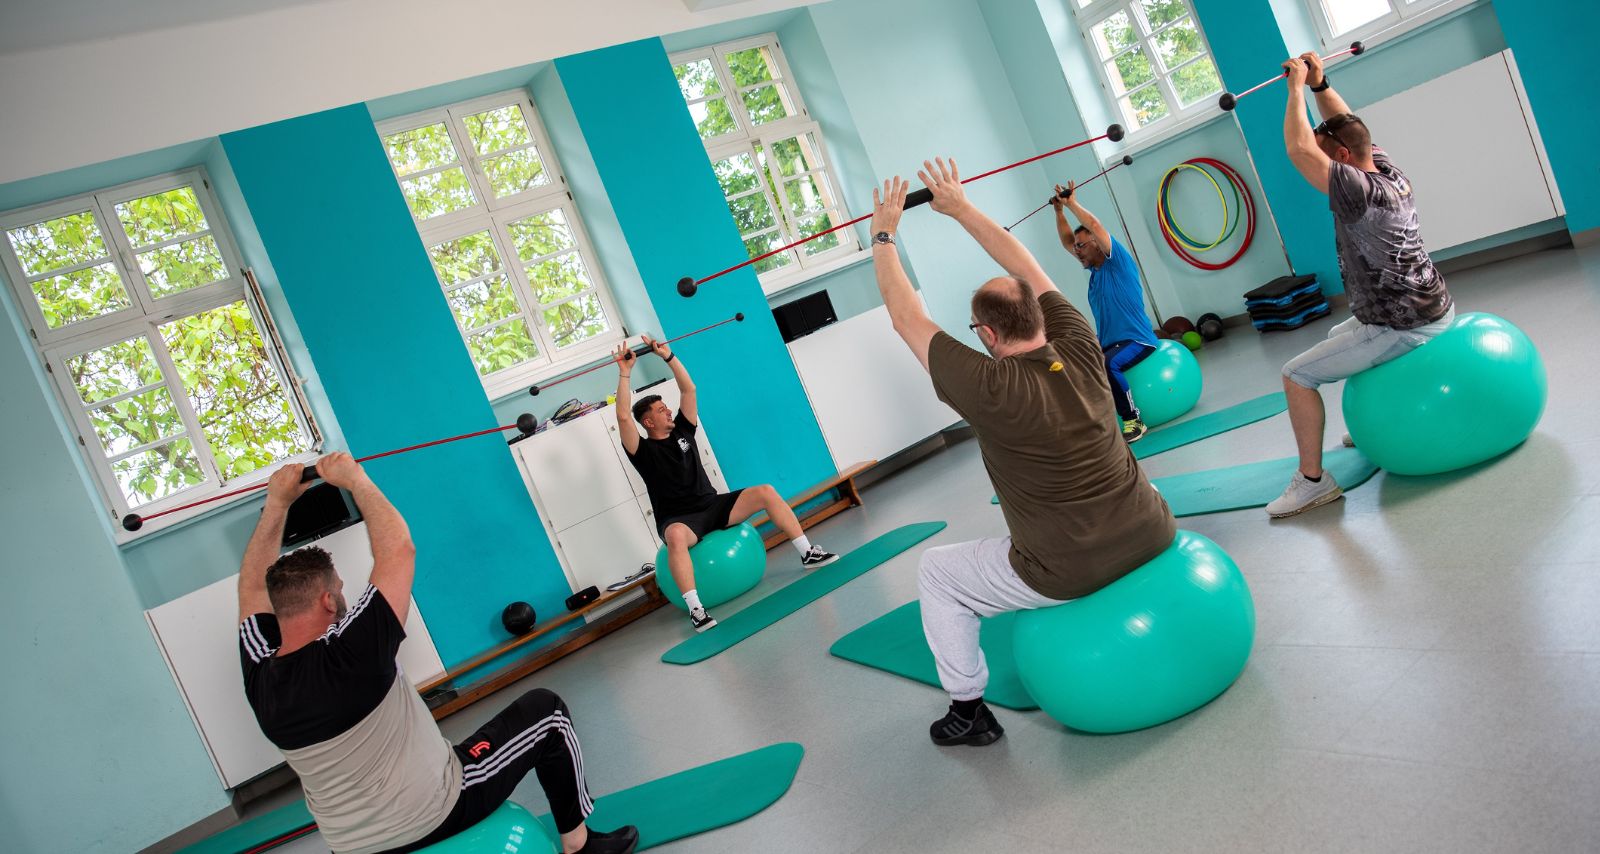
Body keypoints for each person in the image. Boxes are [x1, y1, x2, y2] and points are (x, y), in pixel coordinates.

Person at [869, 159, 1176, 747]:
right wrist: (958, 206)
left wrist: (884, 235)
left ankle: (968, 709)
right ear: (1040, 313)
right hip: (1152, 529)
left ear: (985, 335)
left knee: (937, 573)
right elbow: (1024, 264)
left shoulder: (989, 388)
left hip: (1067, 569)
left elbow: (906, 315)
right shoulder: (1081, 342)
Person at [237, 453, 638, 854]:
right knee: (547, 712)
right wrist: (355, 480)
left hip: (353, 848)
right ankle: (580, 846)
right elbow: (398, 550)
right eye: (339, 590)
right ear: (328, 600)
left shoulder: (260, 675)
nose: (343, 596)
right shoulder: (354, 650)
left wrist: (277, 503)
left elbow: (252, 589)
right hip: (437, 813)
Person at [1268, 51, 1455, 518]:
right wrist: (1318, 83)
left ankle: (1313, 482)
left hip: (1402, 324)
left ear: (1344, 159)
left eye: (1327, 153)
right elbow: (1347, 125)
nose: (1322, 159)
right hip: (1433, 306)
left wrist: (1292, 88)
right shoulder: (1386, 171)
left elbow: (1298, 151)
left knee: (1296, 375)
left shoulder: (1357, 190)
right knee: (1336, 336)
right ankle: (1375, 423)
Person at [613, 336, 838, 632]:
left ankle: (808, 552)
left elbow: (688, 388)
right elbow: (622, 417)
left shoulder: (684, 431)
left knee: (766, 492)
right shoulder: (641, 452)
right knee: (676, 539)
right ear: (648, 422)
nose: (668, 410)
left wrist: (668, 356)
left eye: (666, 406)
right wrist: (625, 371)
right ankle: (696, 609)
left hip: (712, 505)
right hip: (679, 519)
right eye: (660, 410)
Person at [1053, 180, 1161, 442]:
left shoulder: (1117, 262)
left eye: (1082, 245)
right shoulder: (1095, 271)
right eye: (1076, 247)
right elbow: (1068, 241)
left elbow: (1096, 227)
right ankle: (1092, 425)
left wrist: (1072, 204)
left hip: (1138, 340)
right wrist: (1058, 213)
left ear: (1098, 244)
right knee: (1073, 367)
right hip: (1109, 343)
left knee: (1107, 363)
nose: (1076, 250)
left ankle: (1133, 420)